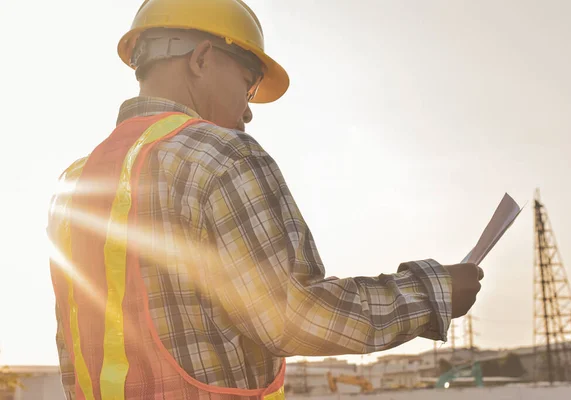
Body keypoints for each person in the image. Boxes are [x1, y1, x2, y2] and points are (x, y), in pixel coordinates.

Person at [48, 1, 484, 399]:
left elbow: (73, 354)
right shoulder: (221, 155)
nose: (249, 111)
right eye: (249, 85)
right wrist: (433, 292)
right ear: (201, 59)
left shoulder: (73, 185)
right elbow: (292, 316)